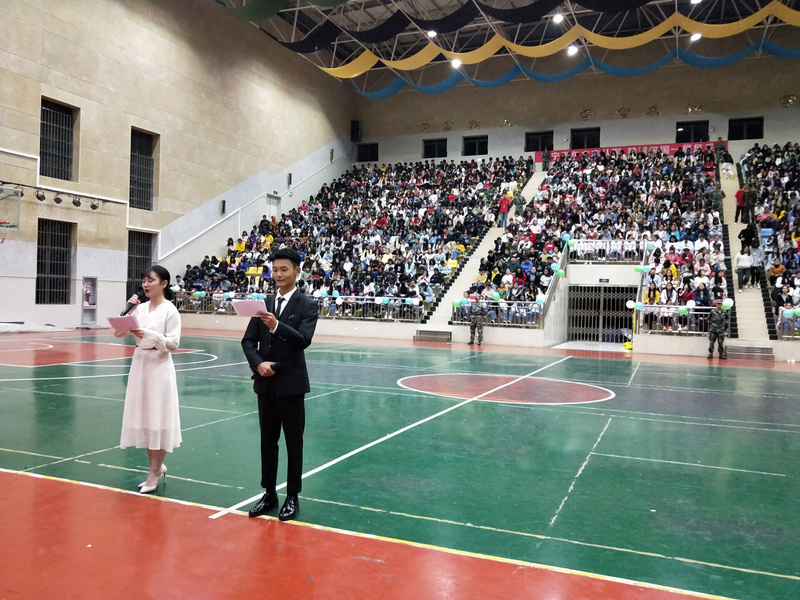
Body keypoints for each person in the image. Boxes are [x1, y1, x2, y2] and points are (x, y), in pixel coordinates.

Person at [242, 248, 318, 521]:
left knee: (293, 443)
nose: (278, 275)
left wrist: (276, 326)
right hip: (265, 384)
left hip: (292, 385)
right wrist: (258, 364)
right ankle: (269, 493)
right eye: (274, 270)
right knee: (268, 442)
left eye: (284, 269)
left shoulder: (307, 305)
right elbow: (248, 341)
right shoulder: (263, 303)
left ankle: (292, 496)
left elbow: (303, 340)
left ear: (297, 271)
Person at [118, 265, 182, 494]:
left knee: (158, 418)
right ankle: (156, 466)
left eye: (150, 280)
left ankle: (154, 472)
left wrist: (150, 335)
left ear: (163, 284)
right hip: (140, 364)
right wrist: (128, 312)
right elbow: (119, 332)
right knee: (146, 418)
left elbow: (173, 344)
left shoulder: (170, 311)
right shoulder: (140, 308)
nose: (145, 284)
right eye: (144, 280)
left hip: (159, 366)